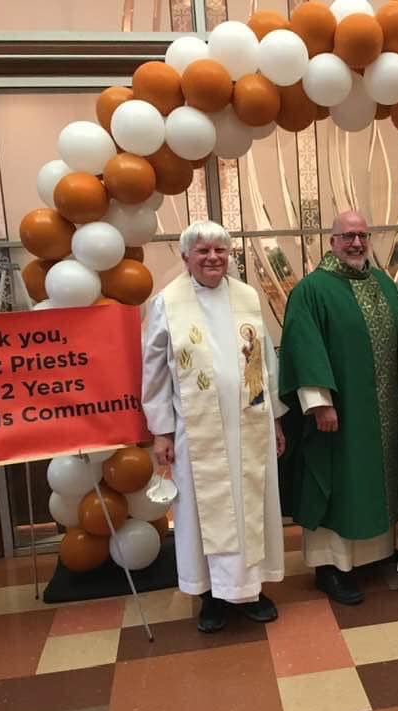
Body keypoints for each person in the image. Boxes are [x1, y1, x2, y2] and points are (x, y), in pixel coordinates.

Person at [142, 220, 285, 633]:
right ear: (186, 256)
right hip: (196, 431)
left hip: (249, 426)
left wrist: (276, 419)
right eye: (203, 251)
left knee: (252, 506)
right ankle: (210, 597)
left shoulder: (246, 297)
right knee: (202, 512)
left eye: (220, 250)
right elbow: (154, 371)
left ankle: (251, 590)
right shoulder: (168, 303)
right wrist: (161, 431)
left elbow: (266, 363)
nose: (212, 258)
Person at [279, 210, 398, 605]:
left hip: (383, 411)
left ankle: (372, 554)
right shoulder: (313, 289)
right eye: (347, 236)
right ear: (331, 241)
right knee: (337, 480)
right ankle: (331, 566)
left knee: (376, 478)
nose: (356, 243)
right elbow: (303, 346)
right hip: (339, 412)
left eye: (362, 235)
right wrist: (319, 403)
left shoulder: (384, 284)